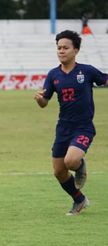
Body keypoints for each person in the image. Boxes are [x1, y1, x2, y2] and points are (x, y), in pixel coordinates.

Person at [33, 30, 107, 215]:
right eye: (58, 48)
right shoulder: (53, 75)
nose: (61, 51)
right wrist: (40, 99)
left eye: (65, 47)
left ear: (76, 50)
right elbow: (44, 102)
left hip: (83, 127)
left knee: (71, 161)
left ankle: (80, 167)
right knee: (59, 171)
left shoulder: (87, 71)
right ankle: (79, 200)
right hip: (63, 128)